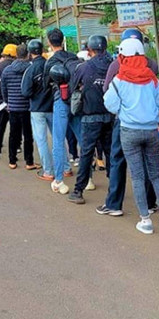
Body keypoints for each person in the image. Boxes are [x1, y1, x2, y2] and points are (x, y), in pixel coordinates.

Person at [103, 38, 159, 234]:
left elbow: (109, 104)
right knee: (156, 175)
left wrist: (124, 111)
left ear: (122, 56)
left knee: (137, 177)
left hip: (129, 131)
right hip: (152, 131)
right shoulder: (152, 79)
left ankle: (145, 221)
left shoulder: (119, 80)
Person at [97, 28, 159, 218]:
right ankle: (150, 203)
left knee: (118, 159)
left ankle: (114, 204)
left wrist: (120, 110)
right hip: (149, 123)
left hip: (125, 122)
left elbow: (107, 91)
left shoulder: (117, 65)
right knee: (148, 162)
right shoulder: (152, 64)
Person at [67, 35, 113, 204]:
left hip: (90, 116)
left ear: (89, 50)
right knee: (110, 153)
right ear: (105, 48)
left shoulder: (83, 67)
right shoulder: (113, 66)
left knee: (86, 154)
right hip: (110, 116)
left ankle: (78, 190)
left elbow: (72, 88)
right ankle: (114, 189)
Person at [43, 28, 79, 195]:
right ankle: (88, 179)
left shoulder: (51, 61)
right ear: (63, 40)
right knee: (82, 139)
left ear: (49, 42)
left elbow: (45, 85)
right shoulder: (74, 57)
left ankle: (59, 181)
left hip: (61, 101)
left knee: (58, 140)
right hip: (77, 101)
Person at [22, 38, 55, 179]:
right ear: (42, 50)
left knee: (42, 141)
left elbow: (25, 92)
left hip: (37, 109)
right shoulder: (50, 66)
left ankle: (48, 171)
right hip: (52, 107)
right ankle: (66, 168)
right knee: (58, 139)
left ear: (30, 53)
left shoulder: (31, 69)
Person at [2, 44, 35, 170]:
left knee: (13, 134)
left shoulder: (7, 70)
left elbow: (4, 89)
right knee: (28, 135)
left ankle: (12, 160)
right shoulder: (30, 69)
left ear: (16, 54)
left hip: (13, 107)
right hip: (27, 107)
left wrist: (8, 101)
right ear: (28, 54)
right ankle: (29, 162)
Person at [0, 44, 18, 160]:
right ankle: (16, 149)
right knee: (16, 130)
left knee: (0, 129)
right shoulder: (18, 66)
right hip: (16, 103)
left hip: (1, 104)